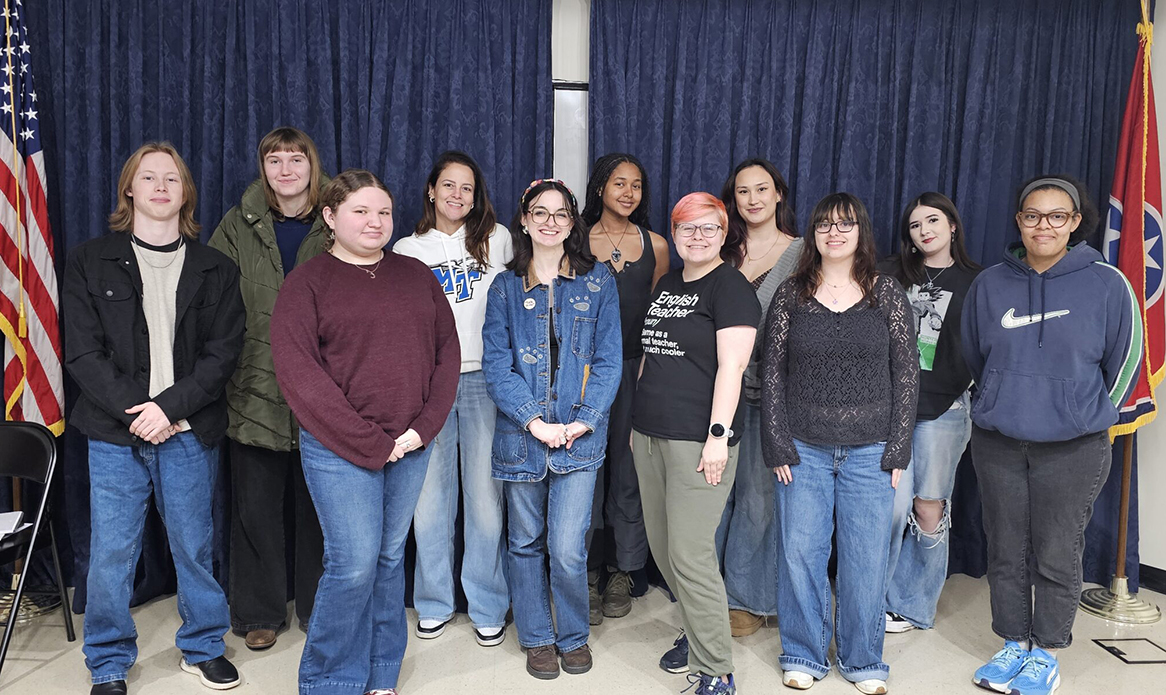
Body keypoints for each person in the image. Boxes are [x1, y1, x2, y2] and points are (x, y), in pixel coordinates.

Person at [63, 142, 245, 695]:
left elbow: (223, 355)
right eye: (149, 177)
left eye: (173, 178)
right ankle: (109, 661)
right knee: (112, 552)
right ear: (130, 189)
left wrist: (167, 409)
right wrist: (139, 414)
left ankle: (204, 645)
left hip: (188, 431)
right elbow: (82, 353)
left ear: (186, 192)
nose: (161, 186)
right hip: (115, 436)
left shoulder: (216, 267)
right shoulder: (90, 260)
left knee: (194, 545)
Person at [270, 169, 460, 695]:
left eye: (383, 212)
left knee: (387, 558)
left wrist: (421, 431)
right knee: (352, 564)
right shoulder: (305, 284)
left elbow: (448, 356)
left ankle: (380, 674)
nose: (375, 221)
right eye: (360, 211)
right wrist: (373, 444)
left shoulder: (416, 275)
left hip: (411, 445)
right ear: (330, 218)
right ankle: (329, 681)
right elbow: (300, 376)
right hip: (340, 450)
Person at [962, 176, 1141, 695]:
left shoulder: (1108, 284)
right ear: (1019, 221)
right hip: (999, 441)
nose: (1044, 225)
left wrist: (1090, 413)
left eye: (1056, 216)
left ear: (1075, 222)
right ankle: (1014, 642)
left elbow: (1126, 361)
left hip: (1074, 446)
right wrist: (997, 398)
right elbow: (976, 354)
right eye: (1033, 216)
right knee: (1006, 547)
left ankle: (1047, 652)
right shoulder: (991, 283)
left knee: (1057, 550)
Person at [761, 193, 918, 695]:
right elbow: (773, 373)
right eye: (825, 224)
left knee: (865, 557)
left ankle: (863, 660)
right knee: (801, 553)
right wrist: (777, 443)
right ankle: (803, 654)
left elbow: (907, 374)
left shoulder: (887, 293)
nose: (834, 232)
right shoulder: (791, 295)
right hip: (802, 449)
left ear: (860, 232)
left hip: (871, 450)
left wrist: (899, 449)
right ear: (814, 234)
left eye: (845, 224)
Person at [482, 178, 621, 680]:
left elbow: (608, 361)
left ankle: (573, 635)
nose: (550, 222)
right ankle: (538, 638)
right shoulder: (503, 287)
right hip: (523, 438)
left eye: (561, 214)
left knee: (567, 547)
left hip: (580, 439)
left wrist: (584, 419)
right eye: (539, 213)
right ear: (524, 220)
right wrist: (535, 422)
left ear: (572, 223)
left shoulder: (597, 281)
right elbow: (497, 365)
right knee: (525, 541)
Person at [632, 192, 760, 695]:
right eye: (688, 228)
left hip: (698, 441)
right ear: (675, 232)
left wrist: (717, 438)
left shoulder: (731, 288)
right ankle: (698, 630)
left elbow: (733, 367)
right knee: (665, 553)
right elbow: (651, 356)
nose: (698, 236)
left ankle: (716, 672)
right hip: (649, 434)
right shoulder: (667, 282)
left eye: (709, 227)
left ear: (724, 233)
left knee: (690, 554)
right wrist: (637, 430)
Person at [208, 126, 328, 651]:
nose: (286, 170)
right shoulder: (237, 223)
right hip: (253, 380)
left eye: (295, 159)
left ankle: (320, 606)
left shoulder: (336, 217)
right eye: (274, 160)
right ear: (264, 169)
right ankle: (259, 611)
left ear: (311, 166)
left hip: (324, 385)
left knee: (320, 507)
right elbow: (211, 294)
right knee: (254, 507)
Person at [393, 151, 513, 646]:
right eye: (449, 185)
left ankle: (487, 603)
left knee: (486, 502)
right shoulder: (406, 247)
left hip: (486, 379)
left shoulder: (498, 238)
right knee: (430, 501)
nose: (457, 195)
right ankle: (435, 602)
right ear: (430, 190)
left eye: (467, 187)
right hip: (430, 384)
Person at [878, 192, 981, 634]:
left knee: (928, 506)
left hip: (945, 409)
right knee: (888, 506)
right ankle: (871, 597)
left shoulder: (978, 280)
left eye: (934, 220)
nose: (925, 231)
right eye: (916, 225)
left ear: (953, 225)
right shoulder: (887, 273)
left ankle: (912, 605)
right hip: (887, 406)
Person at [714, 158, 803, 637]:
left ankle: (747, 601)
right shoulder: (720, 248)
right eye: (743, 191)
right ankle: (707, 594)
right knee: (711, 495)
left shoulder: (802, 251)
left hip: (771, 393)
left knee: (757, 498)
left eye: (761, 189)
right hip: (713, 391)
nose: (752, 199)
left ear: (778, 195)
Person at [579, 152, 669, 624]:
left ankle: (622, 569)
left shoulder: (655, 244)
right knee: (586, 473)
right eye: (619, 183)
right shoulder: (576, 239)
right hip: (585, 375)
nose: (628, 192)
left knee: (629, 473)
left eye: (636, 184)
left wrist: (648, 370)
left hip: (636, 370)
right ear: (600, 188)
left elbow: (657, 316)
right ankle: (586, 570)